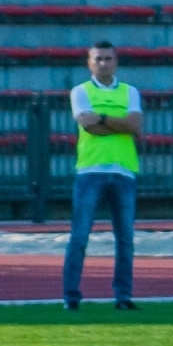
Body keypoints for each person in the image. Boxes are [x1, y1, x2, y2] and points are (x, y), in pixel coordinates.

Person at [63, 41, 141, 311]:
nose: (103, 64)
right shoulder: (80, 91)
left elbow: (135, 125)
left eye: (108, 59)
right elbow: (87, 125)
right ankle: (71, 296)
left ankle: (123, 297)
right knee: (79, 237)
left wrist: (102, 117)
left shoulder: (130, 92)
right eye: (98, 59)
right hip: (90, 171)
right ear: (89, 63)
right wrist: (119, 124)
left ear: (116, 62)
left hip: (123, 171)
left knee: (125, 240)